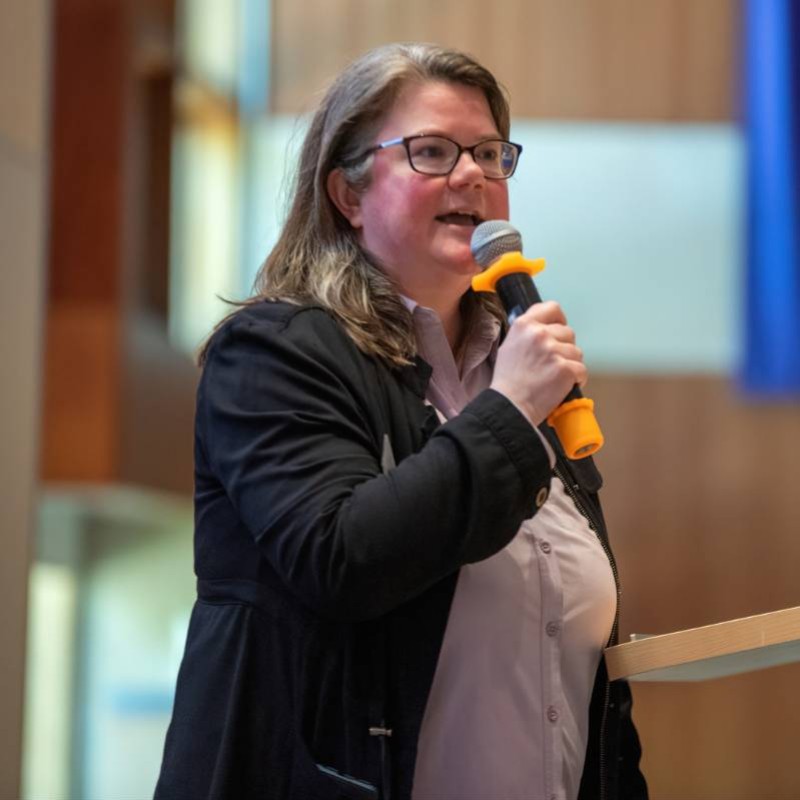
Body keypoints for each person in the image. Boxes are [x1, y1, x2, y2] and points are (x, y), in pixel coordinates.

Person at [154, 42, 647, 800]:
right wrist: (510, 410)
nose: (473, 173)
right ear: (348, 196)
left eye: (489, 152)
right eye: (432, 151)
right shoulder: (273, 355)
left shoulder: (523, 365)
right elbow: (342, 558)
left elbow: (588, 682)